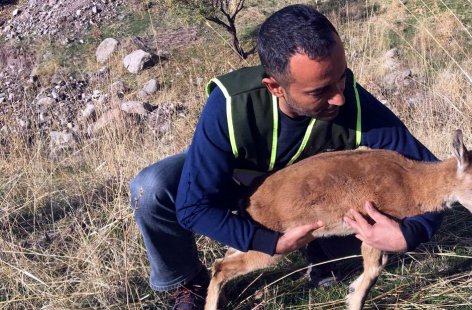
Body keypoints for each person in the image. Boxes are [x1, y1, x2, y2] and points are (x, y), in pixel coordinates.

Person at [130, 4, 443, 310]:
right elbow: (192, 207)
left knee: (338, 267)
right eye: (320, 91)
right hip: (235, 186)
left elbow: (434, 175)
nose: (339, 96)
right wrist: (269, 243)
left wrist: (407, 234)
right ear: (275, 87)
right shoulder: (230, 106)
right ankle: (188, 281)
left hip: (302, 199)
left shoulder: (356, 105)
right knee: (153, 188)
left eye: (342, 76)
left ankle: (321, 256)